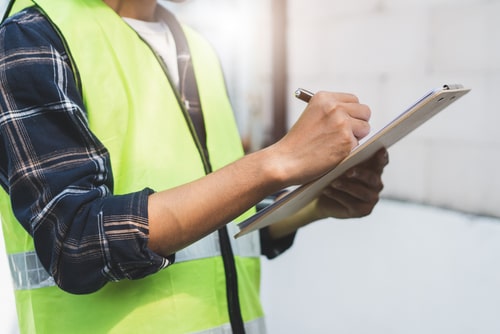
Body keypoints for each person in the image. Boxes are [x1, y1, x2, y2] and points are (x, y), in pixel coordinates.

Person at [0, 0, 389, 333]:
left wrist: (316, 205)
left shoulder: (198, 47)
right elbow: (77, 241)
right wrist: (278, 160)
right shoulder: (30, 39)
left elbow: (218, 226)